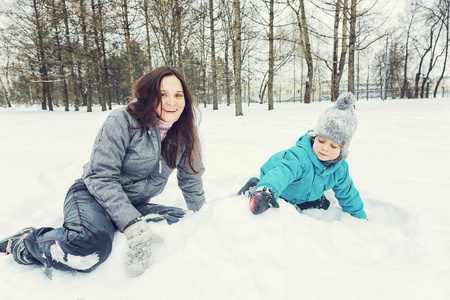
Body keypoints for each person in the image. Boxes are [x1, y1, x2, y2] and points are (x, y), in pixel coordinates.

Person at [0, 66, 206, 277]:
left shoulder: (184, 134)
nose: (172, 102)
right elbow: (100, 177)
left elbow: (191, 180)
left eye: (178, 95)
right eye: (162, 94)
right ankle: (25, 244)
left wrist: (205, 220)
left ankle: (116, 223)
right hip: (91, 195)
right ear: (149, 96)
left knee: (181, 221)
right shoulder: (123, 121)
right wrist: (132, 223)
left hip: (131, 203)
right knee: (89, 246)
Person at [237, 92, 366, 220]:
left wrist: (360, 218)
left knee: (323, 206)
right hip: (281, 189)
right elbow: (282, 173)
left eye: (333, 146)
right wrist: (266, 191)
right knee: (280, 208)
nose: (325, 148)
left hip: (307, 194)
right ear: (314, 138)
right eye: (321, 141)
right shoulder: (299, 157)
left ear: (342, 151)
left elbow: (348, 194)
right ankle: (257, 185)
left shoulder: (340, 169)